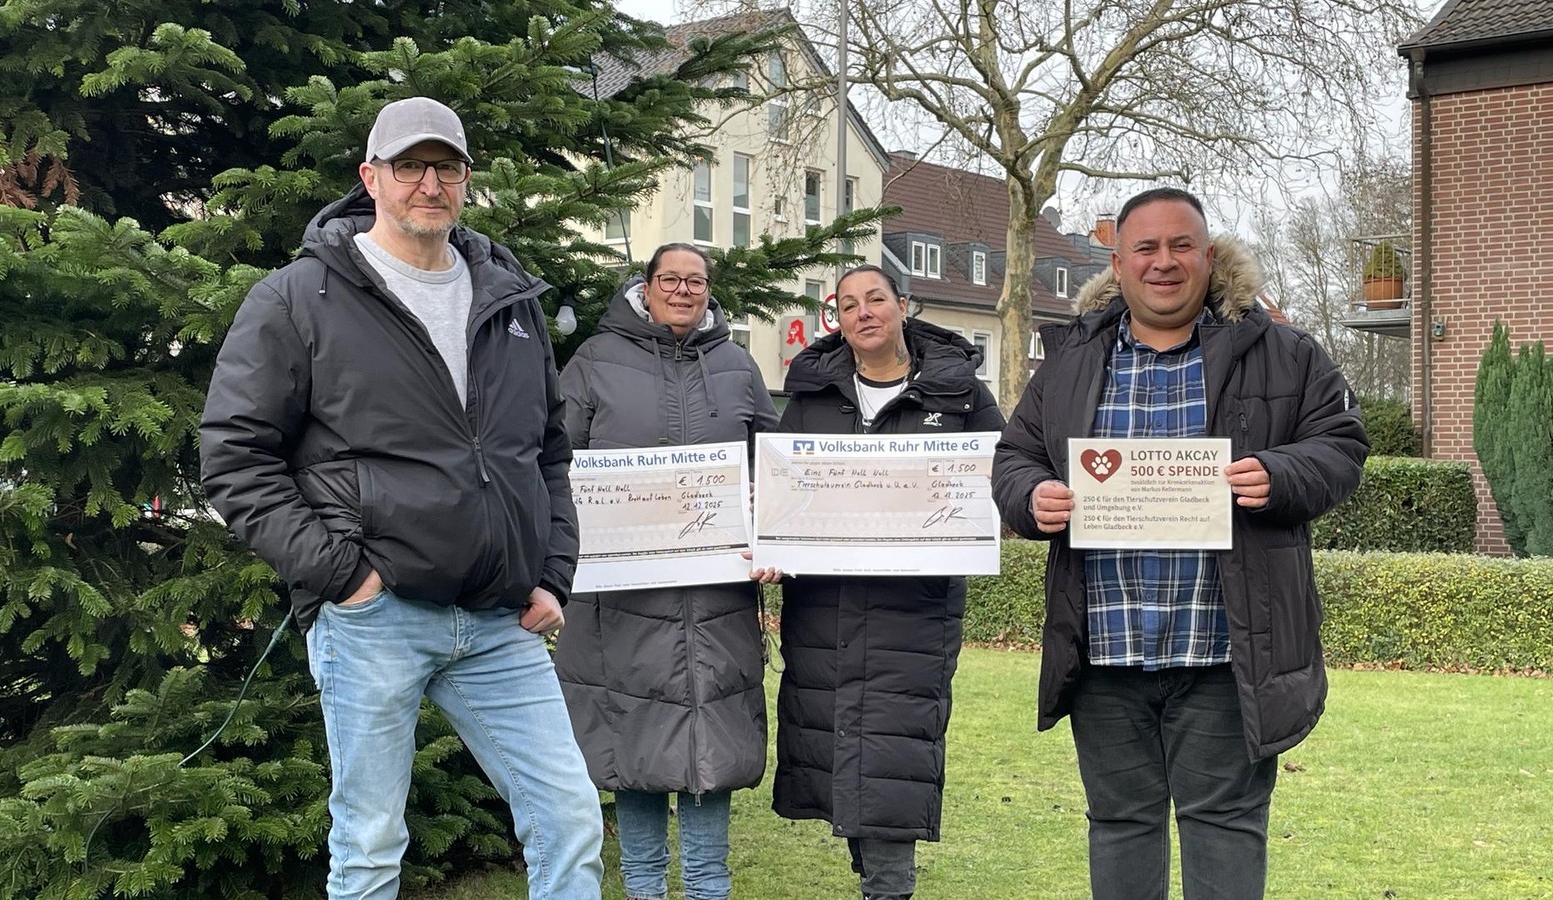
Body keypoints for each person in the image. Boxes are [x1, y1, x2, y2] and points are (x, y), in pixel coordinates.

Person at [199, 96, 604, 900]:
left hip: (499, 621)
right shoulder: (298, 298)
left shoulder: (511, 303)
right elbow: (234, 456)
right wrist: (345, 579)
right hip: (375, 617)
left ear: (465, 181)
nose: (430, 183)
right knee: (371, 844)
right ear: (370, 178)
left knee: (570, 818)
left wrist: (552, 573)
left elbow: (546, 451)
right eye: (410, 166)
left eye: (446, 166)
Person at [990, 187, 1368, 900]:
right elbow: (1016, 456)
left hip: (1228, 652)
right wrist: (1031, 496)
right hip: (1103, 651)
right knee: (1120, 827)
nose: (1164, 262)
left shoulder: (1283, 352)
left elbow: (1342, 444)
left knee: (1224, 829)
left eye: (1180, 245)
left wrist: (1281, 473)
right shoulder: (1072, 358)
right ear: (1119, 262)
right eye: (1147, 248)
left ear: (1208, 254)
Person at [767, 265, 1004, 900]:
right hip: (823, 605)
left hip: (915, 609)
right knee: (838, 740)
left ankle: (888, 886)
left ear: (904, 306)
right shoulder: (810, 397)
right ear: (835, 320)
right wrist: (772, 546)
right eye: (848, 305)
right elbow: (782, 494)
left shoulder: (961, 394)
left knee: (896, 745)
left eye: (876, 299)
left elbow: (1001, 475)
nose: (863, 312)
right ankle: (871, 867)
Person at [554, 243, 779, 900]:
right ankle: (645, 890)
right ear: (645, 287)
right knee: (634, 757)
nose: (683, 290)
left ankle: (710, 890)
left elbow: (773, 469)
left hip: (716, 609)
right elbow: (550, 462)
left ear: (709, 290)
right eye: (670, 279)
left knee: (711, 759)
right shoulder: (594, 362)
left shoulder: (737, 367)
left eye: (697, 280)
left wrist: (771, 529)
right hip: (619, 611)